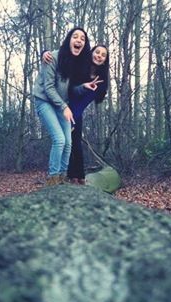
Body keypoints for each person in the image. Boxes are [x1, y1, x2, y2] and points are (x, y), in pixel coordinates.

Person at [43, 45, 109, 184]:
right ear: (91, 53)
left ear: (104, 61)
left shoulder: (101, 81)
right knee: (63, 142)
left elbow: (84, 102)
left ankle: (79, 176)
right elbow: (64, 58)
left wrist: (73, 118)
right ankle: (62, 175)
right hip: (63, 105)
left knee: (75, 143)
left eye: (103, 55)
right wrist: (44, 53)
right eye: (97, 52)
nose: (99, 56)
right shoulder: (80, 67)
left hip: (76, 112)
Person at [32, 28, 91, 186]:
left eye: (82, 39)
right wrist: (65, 107)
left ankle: (63, 177)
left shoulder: (77, 64)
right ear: (68, 40)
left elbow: (71, 90)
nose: (79, 40)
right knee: (59, 139)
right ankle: (53, 179)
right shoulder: (53, 57)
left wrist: (84, 86)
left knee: (68, 142)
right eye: (75, 37)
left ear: (84, 45)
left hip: (61, 103)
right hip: (44, 100)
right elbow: (49, 88)